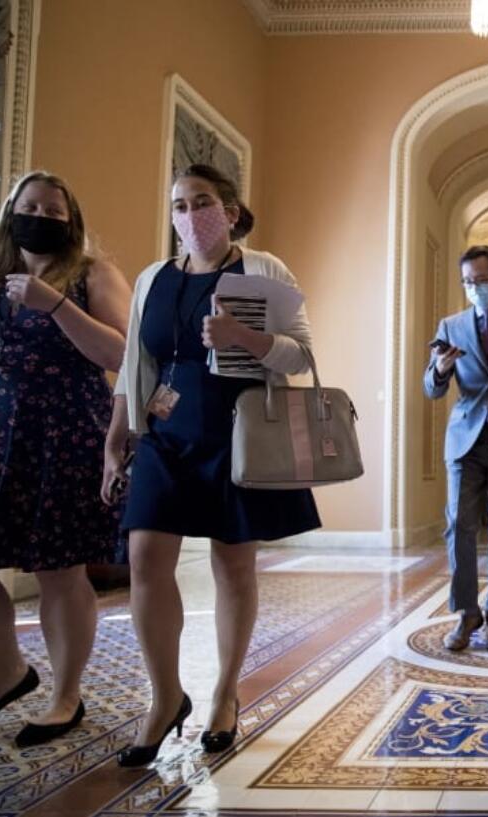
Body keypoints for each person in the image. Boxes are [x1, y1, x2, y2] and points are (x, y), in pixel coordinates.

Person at [102, 164, 320, 767]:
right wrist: (116, 437)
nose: (190, 214)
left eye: (202, 202)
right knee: (144, 556)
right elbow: (132, 362)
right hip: (166, 430)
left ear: (229, 210)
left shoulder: (263, 269)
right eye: (179, 204)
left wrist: (240, 337)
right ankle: (165, 696)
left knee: (232, 563)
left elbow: (301, 354)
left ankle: (225, 693)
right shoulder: (153, 278)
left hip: (238, 428)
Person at [0, 171, 130, 746]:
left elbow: (124, 352)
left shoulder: (92, 274)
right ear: (11, 214)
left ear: (72, 221)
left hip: (68, 431)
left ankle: (65, 695)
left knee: (59, 569)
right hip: (4, 431)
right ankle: (10, 671)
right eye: (31, 207)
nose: (43, 217)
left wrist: (52, 304)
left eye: (55, 210)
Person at [424, 244, 488, 652]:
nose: (474, 288)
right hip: (464, 438)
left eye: (481, 281)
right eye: (467, 282)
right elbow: (431, 389)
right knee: (459, 526)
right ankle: (467, 614)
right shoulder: (451, 324)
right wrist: (441, 369)